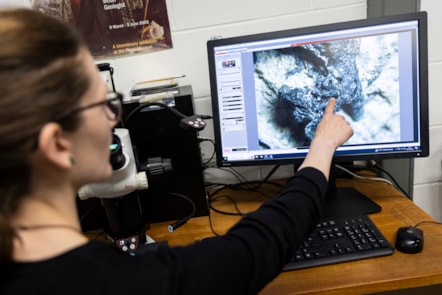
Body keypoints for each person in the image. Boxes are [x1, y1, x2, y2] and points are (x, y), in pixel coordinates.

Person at [0, 8, 353, 295]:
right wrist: (321, 146)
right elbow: (257, 247)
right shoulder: (117, 283)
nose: (114, 117)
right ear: (58, 145)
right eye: (103, 103)